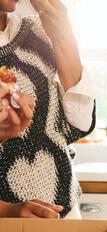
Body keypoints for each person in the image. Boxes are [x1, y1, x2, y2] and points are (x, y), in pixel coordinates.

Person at [0, 0, 96, 219]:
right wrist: (7, 211)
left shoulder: (38, 31)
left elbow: (78, 125)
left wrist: (63, 35)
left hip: (61, 215)